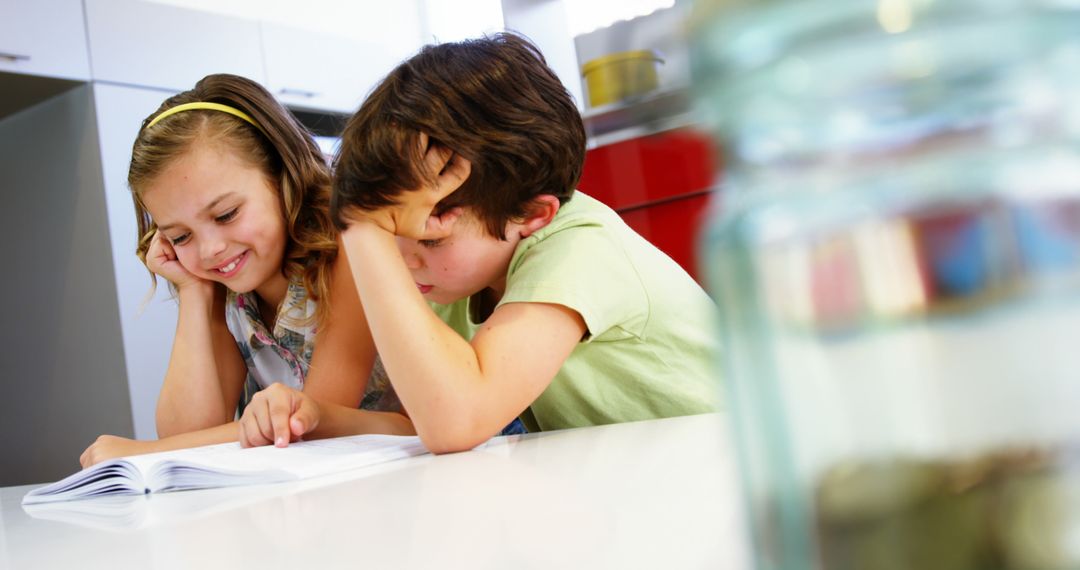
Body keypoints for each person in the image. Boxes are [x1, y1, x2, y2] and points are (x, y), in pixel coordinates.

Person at [243, 33, 719, 454]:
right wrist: (320, 417)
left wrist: (360, 227)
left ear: (532, 215)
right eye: (393, 235)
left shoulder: (581, 249)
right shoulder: (454, 278)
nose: (405, 261)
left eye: (430, 239)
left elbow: (456, 421)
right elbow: (419, 422)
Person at [80, 74, 412, 468]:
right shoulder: (230, 287)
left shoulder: (346, 246)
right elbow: (187, 429)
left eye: (226, 214)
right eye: (180, 236)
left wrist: (146, 454)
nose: (210, 249)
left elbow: (313, 418)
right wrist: (194, 292)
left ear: (281, 174)